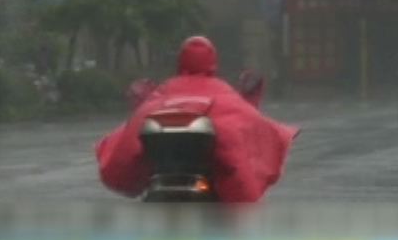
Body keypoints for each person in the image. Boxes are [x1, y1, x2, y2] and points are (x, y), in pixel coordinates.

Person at [95, 36, 299, 203]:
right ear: (213, 62)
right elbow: (250, 130)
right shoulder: (225, 96)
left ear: (180, 61)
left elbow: (125, 147)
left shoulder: (160, 96)